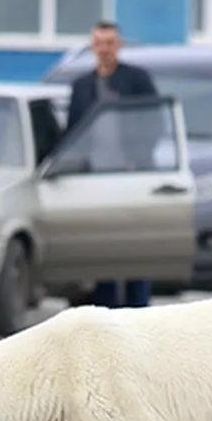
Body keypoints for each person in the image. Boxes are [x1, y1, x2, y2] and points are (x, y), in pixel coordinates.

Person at [65, 20, 160, 310]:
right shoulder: (82, 86)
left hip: (132, 176)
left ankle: (138, 306)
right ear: (92, 47)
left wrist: (137, 160)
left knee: (137, 245)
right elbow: (73, 132)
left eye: (109, 43)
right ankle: (105, 308)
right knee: (103, 248)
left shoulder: (137, 80)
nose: (104, 49)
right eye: (99, 43)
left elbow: (154, 122)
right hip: (95, 179)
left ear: (119, 45)